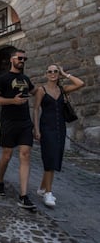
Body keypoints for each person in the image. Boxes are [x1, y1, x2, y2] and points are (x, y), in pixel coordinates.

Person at [0, 49, 37, 209]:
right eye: (20, 58)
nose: (23, 60)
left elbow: (36, 92)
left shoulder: (26, 79)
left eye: (25, 58)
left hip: (25, 122)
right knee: (7, 156)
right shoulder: (2, 79)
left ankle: (23, 196)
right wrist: (13, 101)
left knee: (25, 155)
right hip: (8, 122)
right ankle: (0, 180)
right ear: (12, 60)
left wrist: (54, 86)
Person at [33, 64, 84, 207]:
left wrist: (65, 74)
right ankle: (48, 193)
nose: (53, 73)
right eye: (50, 71)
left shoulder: (63, 90)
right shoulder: (41, 90)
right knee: (50, 158)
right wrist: (36, 129)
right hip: (46, 128)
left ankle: (42, 188)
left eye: (55, 71)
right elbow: (36, 110)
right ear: (46, 74)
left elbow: (81, 83)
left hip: (60, 128)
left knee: (55, 158)